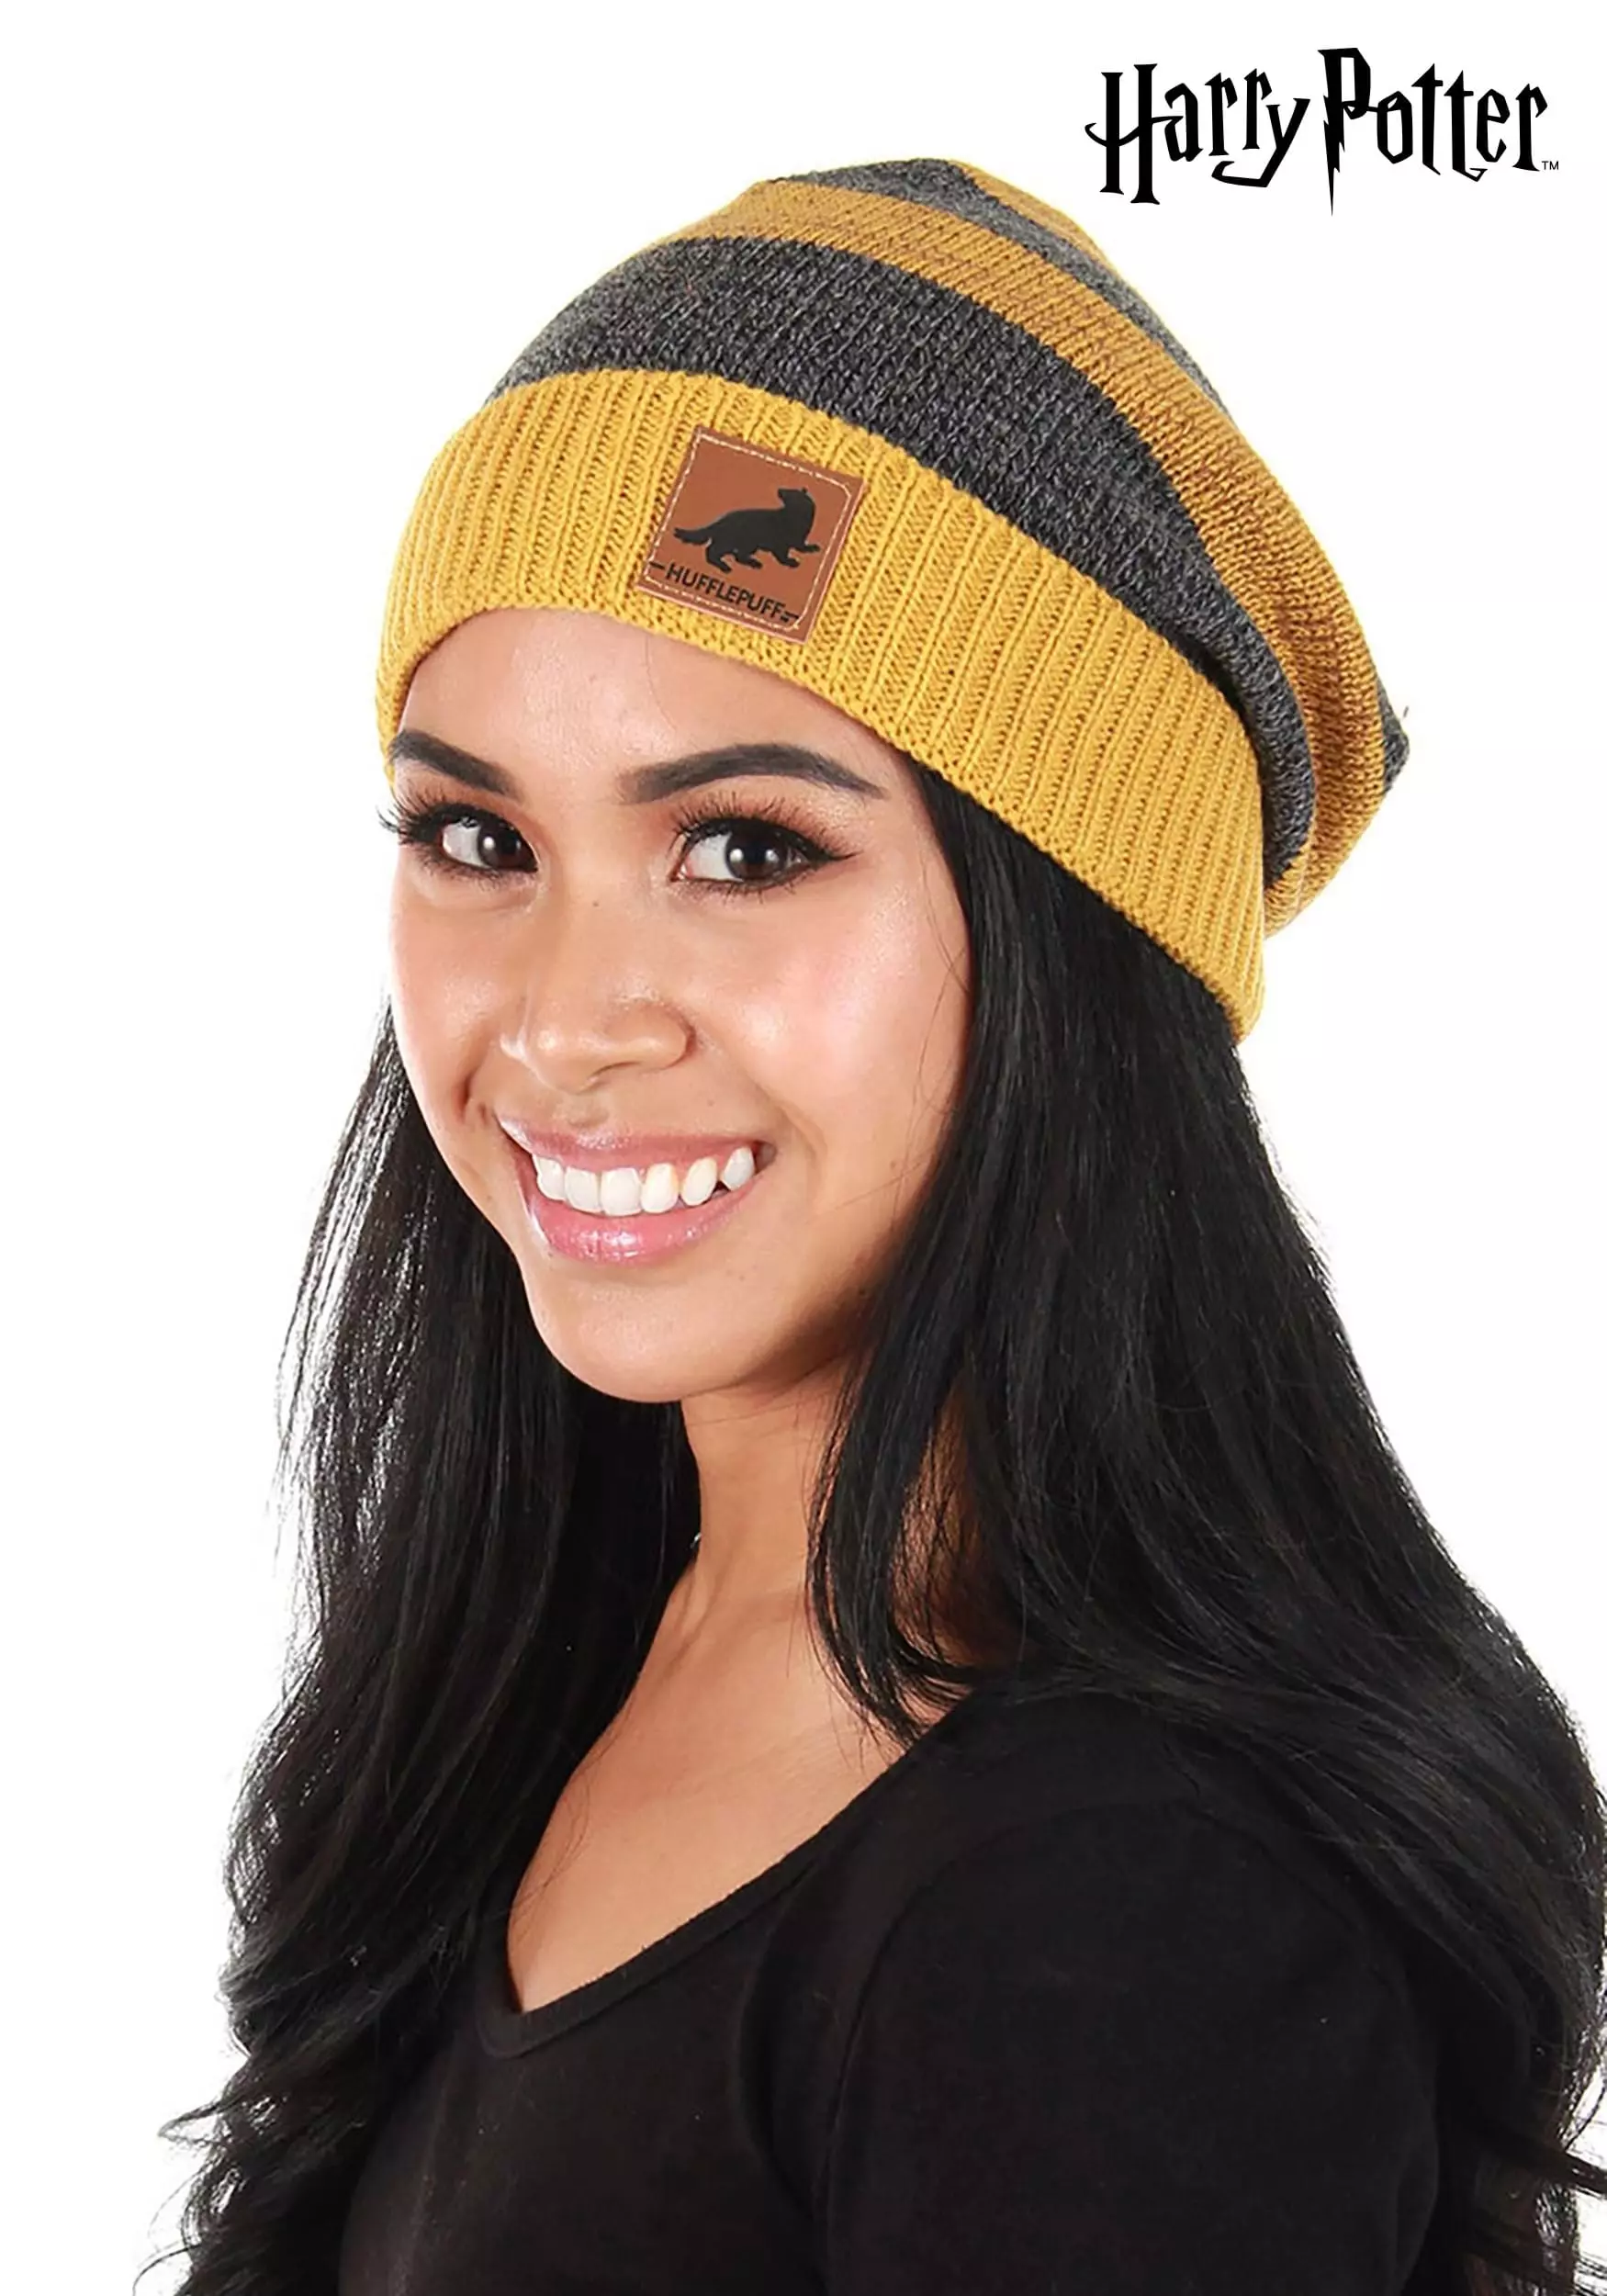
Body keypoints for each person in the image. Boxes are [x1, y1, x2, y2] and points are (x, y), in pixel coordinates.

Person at [151, 157, 1607, 2296]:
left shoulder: (1114, 1908)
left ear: (1065, 952)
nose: (559, 1019)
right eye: (474, 834)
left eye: (743, 848)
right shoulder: (557, 1658)